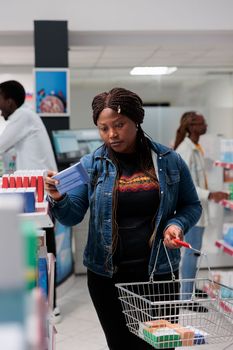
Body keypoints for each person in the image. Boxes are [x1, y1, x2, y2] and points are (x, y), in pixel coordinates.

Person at [44, 87, 202, 350]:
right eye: (103, 128)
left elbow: (192, 205)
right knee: (121, 346)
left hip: (159, 276)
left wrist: (176, 224)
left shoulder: (169, 160)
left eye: (119, 125)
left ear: (136, 121)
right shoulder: (91, 164)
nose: (112, 134)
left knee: (161, 347)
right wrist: (59, 198)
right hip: (108, 279)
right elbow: (72, 216)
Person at [0, 80, 60, 323]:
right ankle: (43, 302)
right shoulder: (25, 118)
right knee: (41, 247)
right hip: (37, 188)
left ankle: (51, 305)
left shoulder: (22, 117)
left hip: (41, 190)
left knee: (45, 250)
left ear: (10, 101)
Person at [174, 111, 229, 301]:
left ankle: (189, 289)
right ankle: (185, 296)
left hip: (198, 209)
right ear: (191, 126)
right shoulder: (185, 150)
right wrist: (211, 194)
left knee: (194, 253)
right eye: (201, 123)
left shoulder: (195, 147)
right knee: (190, 254)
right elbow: (185, 186)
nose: (205, 125)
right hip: (190, 211)